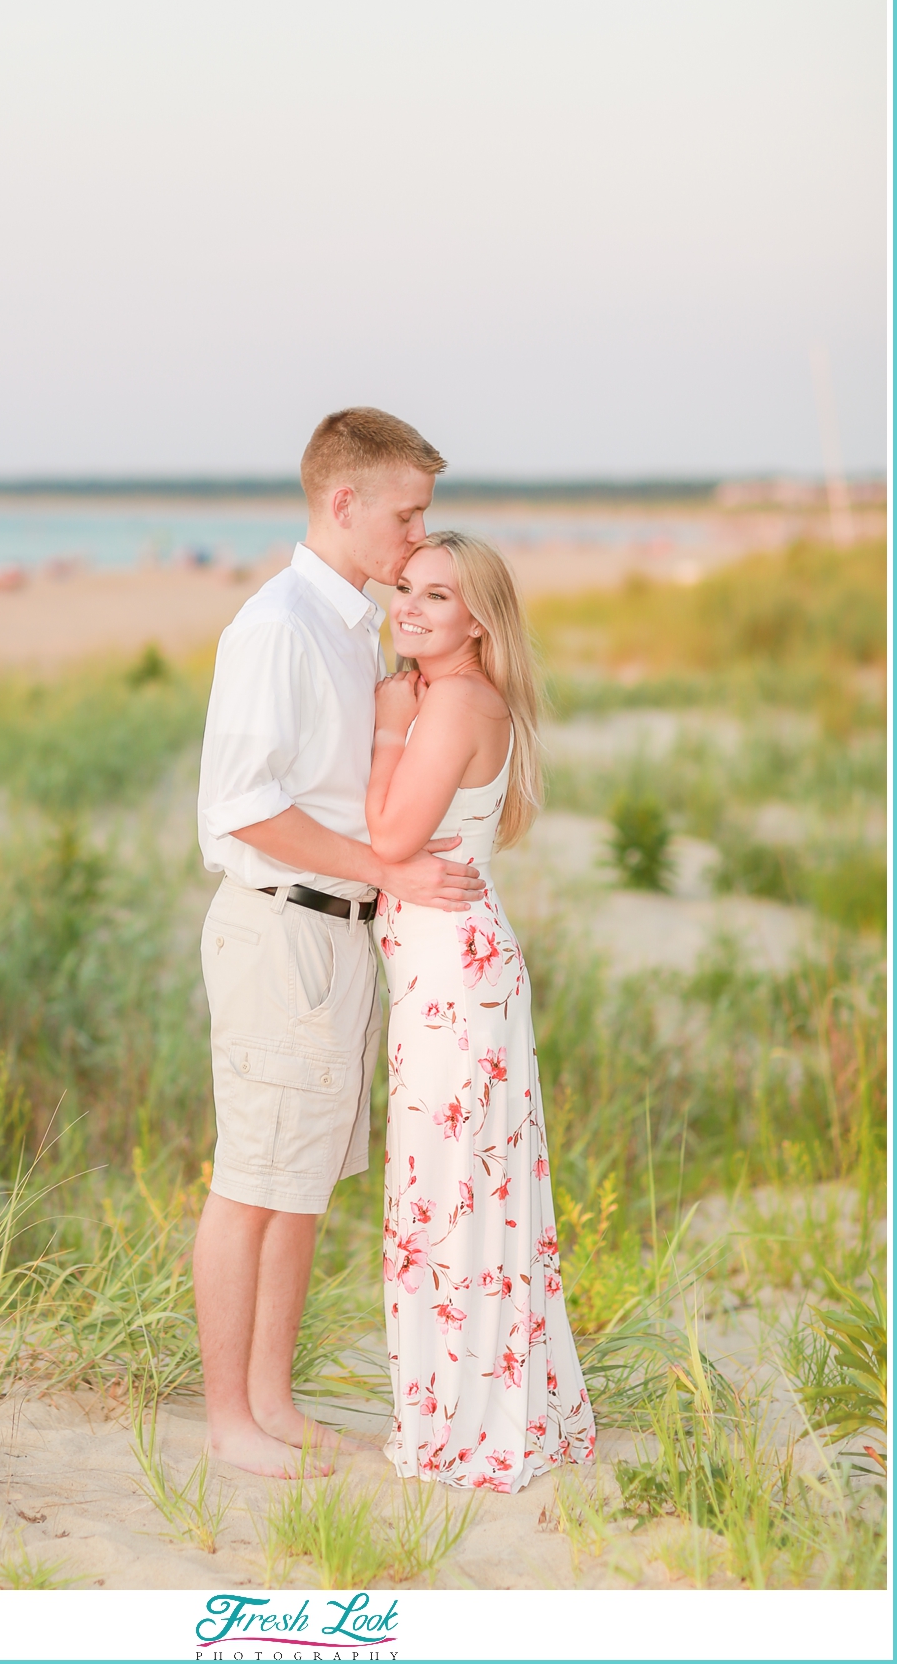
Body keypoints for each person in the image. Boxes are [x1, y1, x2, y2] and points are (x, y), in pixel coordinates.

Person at [193, 408, 484, 1478]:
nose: (418, 537)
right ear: (344, 500)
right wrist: (390, 871)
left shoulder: (353, 624)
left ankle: (274, 1401)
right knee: (252, 1177)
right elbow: (243, 807)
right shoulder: (277, 626)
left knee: (304, 1175)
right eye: (408, 514)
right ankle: (228, 1419)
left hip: (339, 936)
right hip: (282, 928)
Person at [367, 530, 596, 1491]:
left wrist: (385, 720)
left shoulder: (450, 701)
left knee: (447, 1187)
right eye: (405, 590)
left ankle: (461, 1419)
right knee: (469, 1184)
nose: (410, 608)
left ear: (477, 620)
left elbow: (388, 833)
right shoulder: (457, 695)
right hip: (457, 969)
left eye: (436, 597)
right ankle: (483, 1397)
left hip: (455, 982)